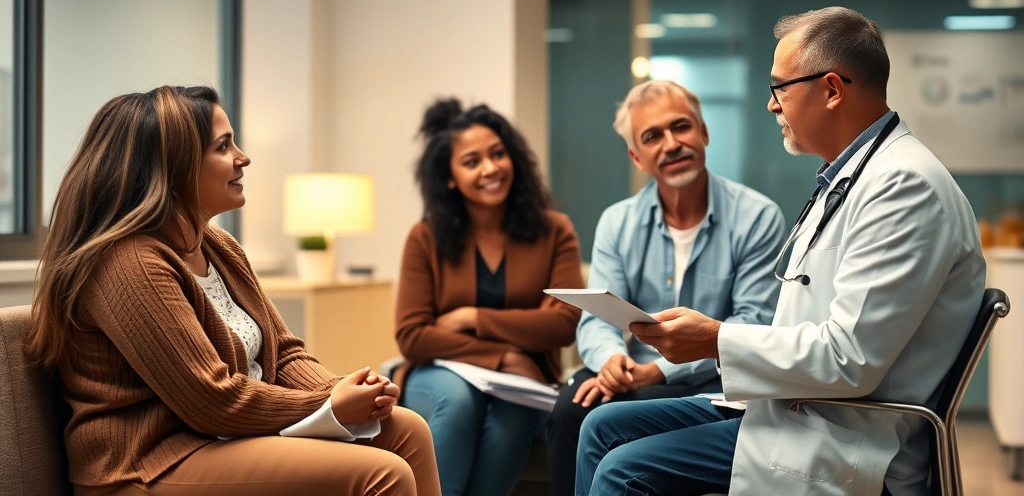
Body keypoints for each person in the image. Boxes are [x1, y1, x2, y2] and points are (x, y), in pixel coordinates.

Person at [576, 7, 987, 496]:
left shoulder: (903, 185)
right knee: (600, 427)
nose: (772, 105)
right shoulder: (850, 177)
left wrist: (715, 339)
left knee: (625, 469)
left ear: (832, 89)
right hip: (796, 406)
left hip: (846, 435)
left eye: (780, 88)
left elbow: (849, 359)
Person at [24, 86, 441, 496]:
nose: (243, 158)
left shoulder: (218, 246)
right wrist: (326, 406)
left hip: (220, 439)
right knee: (381, 474)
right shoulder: (128, 263)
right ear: (173, 169)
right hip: (146, 463)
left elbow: (285, 353)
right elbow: (209, 399)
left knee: (406, 430)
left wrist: (346, 390)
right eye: (224, 147)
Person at [546, 80, 785, 496]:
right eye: (652, 136)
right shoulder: (617, 222)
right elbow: (595, 320)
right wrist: (611, 361)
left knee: (628, 418)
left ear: (704, 132)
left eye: (681, 127)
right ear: (637, 156)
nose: (671, 144)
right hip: (630, 375)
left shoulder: (757, 217)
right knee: (572, 409)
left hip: (717, 379)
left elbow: (752, 323)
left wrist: (658, 369)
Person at [394, 99, 584, 496]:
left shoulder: (555, 230)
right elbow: (413, 335)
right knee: (458, 403)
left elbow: (563, 324)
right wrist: (504, 355)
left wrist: (471, 317)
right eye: (472, 161)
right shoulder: (424, 237)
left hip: (525, 383)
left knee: (513, 413)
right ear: (449, 177)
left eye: (498, 154)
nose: (490, 168)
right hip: (439, 372)